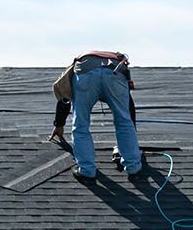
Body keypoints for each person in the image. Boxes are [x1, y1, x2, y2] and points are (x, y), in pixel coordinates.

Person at [51, 51, 141, 179]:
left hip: (85, 73)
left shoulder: (78, 65)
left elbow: (65, 95)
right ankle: (133, 167)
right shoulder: (116, 69)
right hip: (115, 72)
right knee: (124, 122)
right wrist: (132, 139)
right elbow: (129, 111)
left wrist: (59, 124)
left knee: (80, 125)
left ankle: (86, 170)